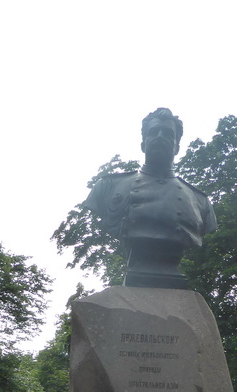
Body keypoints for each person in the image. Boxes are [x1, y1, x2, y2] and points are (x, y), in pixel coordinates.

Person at [84, 107, 217, 289]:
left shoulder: (199, 201)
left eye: (168, 133)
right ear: (143, 143)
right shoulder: (108, 186)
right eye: (153, 132)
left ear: (177, 146)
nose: (160, 136)